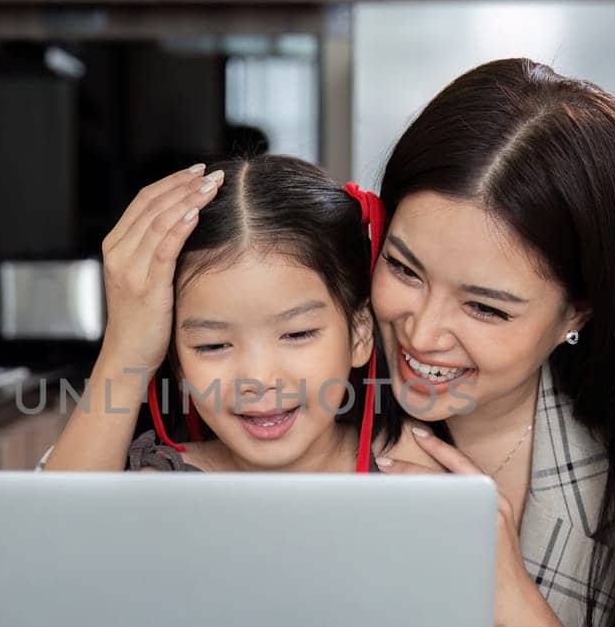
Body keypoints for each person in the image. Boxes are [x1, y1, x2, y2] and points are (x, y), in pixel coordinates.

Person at [373, 58, 615, 627]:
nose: (420, 333)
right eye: (403, 270)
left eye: (484, 307)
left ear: (574, 314)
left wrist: (510, 596)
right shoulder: (308, 414)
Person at [43, 155, 382, 474]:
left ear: (360, 332)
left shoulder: (414, 468)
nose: (259, 379)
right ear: (175, 361)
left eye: (297, 334)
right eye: (213, 345)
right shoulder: (155, 487)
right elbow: (54, 531)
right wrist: (124, 350)